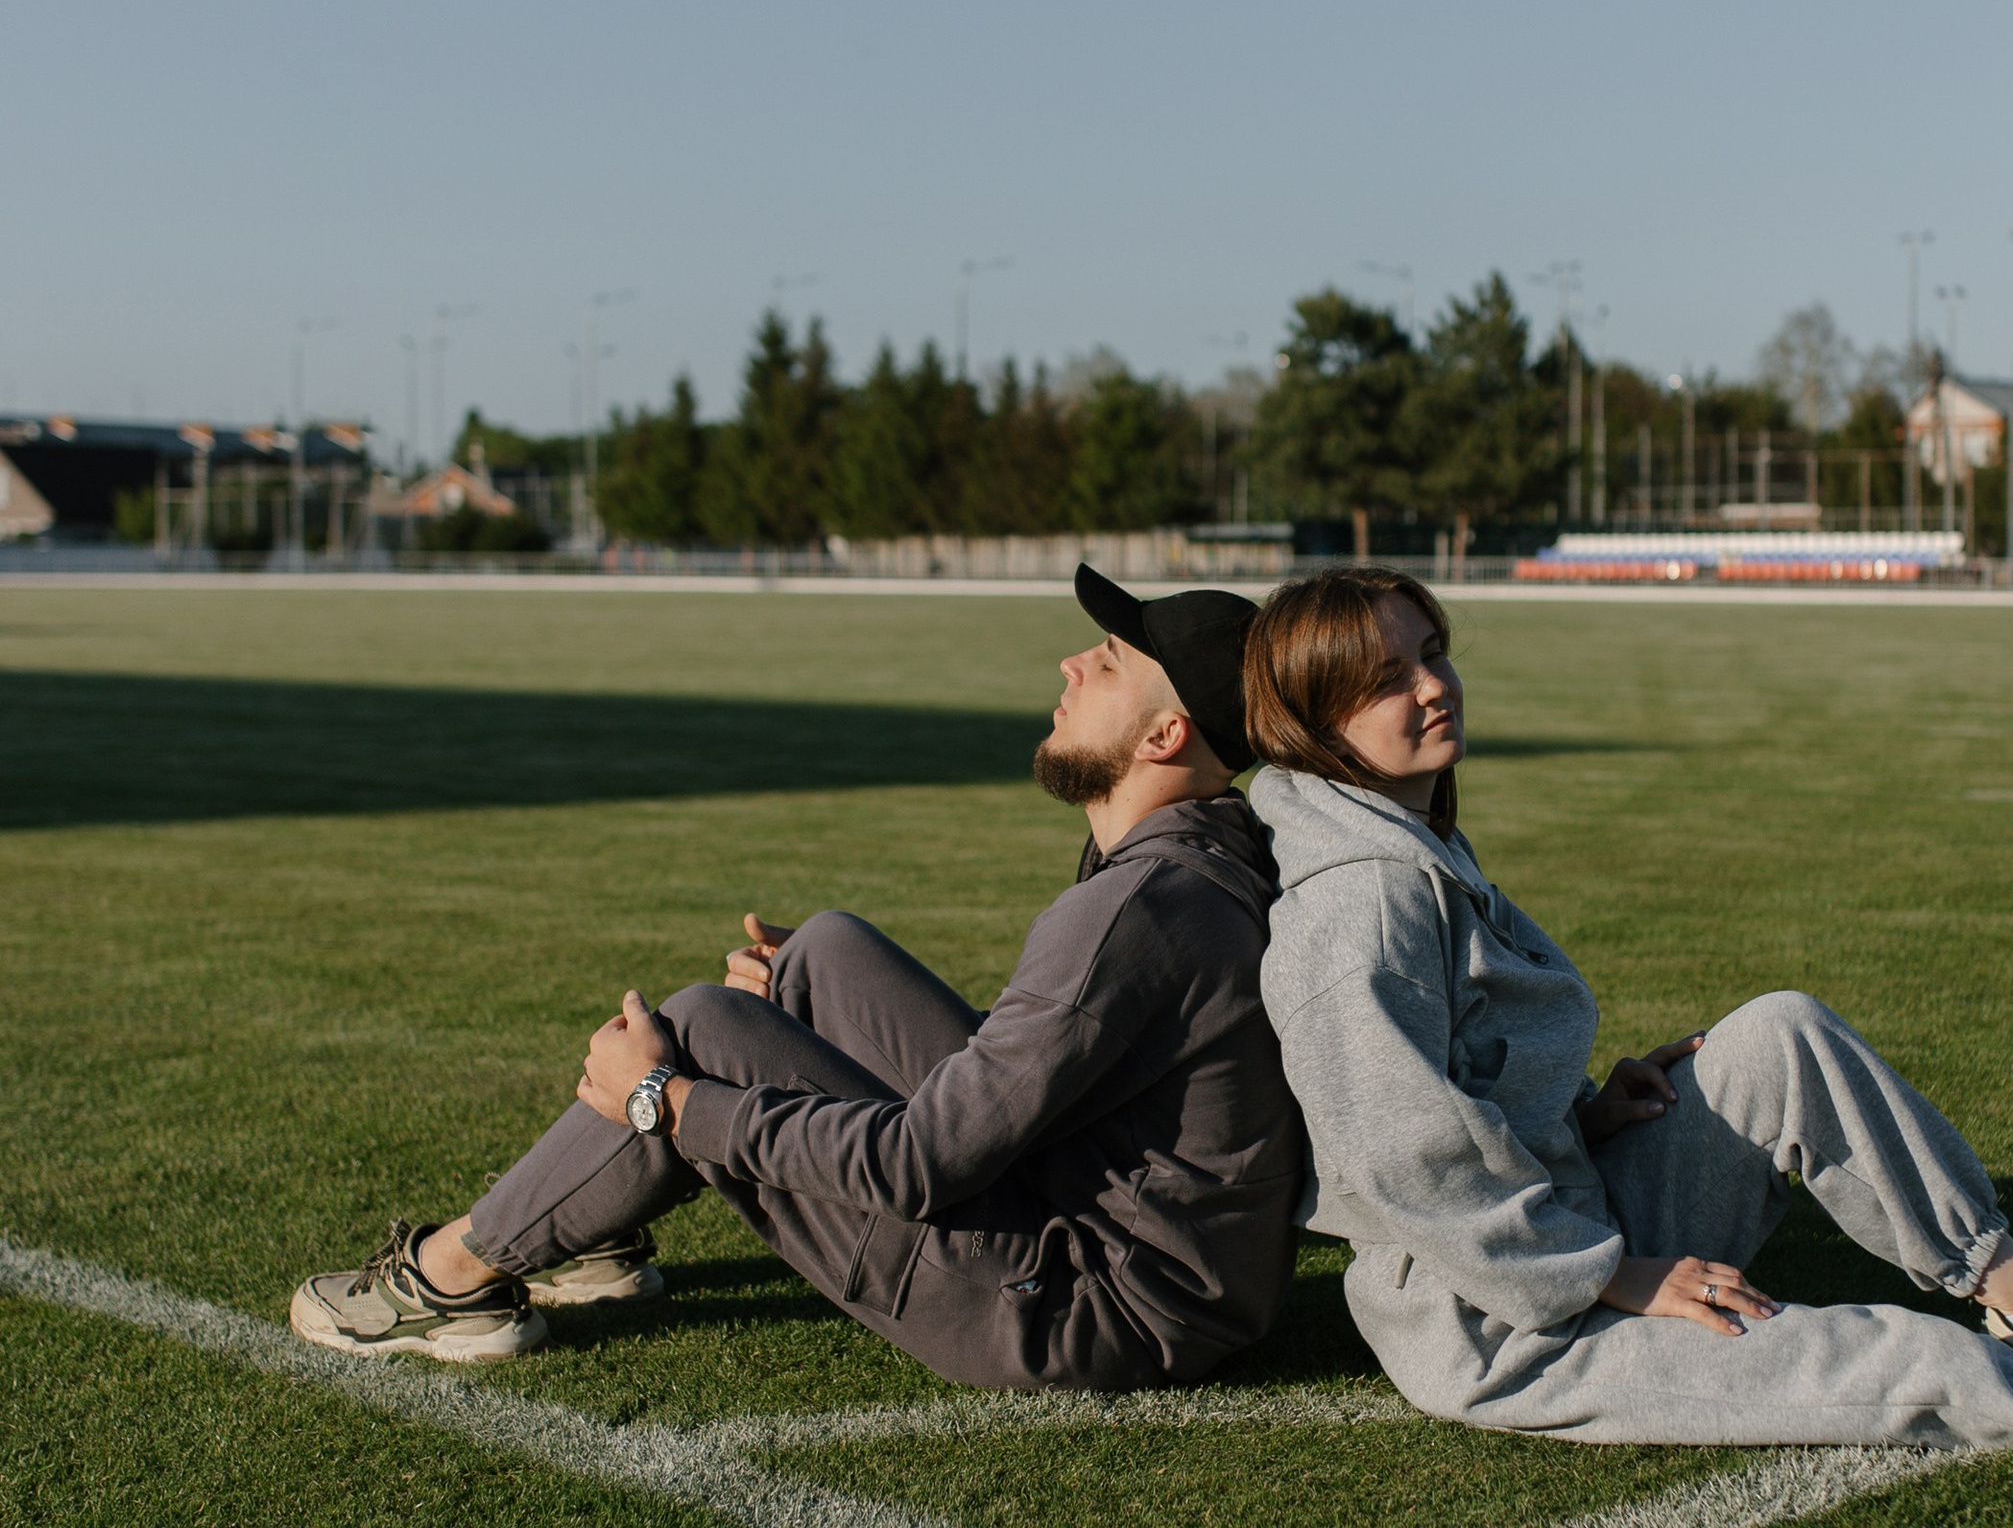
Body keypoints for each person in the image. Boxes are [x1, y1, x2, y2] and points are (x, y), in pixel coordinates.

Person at [1239, 568, 2013, 1486]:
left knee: (1775, 1034)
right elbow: (1402, 1165)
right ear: (1313, 716)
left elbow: (1451, 1093)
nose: (1431, 685)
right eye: (1387, 677)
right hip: (1508, 1327)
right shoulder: (1358, 906)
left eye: (1432, 650)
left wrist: (1583, 1112)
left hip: (1569, 1213)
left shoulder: (1409, 842)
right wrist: (1619, 1277)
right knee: (1895, 1357)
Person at [292, 571, 1305, 1390]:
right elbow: (1066, 1066)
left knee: (696, 1030)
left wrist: (667, 1101)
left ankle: (455, 1276)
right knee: (824, 951)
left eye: (1111, 660)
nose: (1072, 661)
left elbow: (920, 1165)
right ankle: (587, 1233)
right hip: (1135, 1247)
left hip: (1085, 1308)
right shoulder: (1191, 857)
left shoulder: (1133, 911)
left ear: (1163, 737)